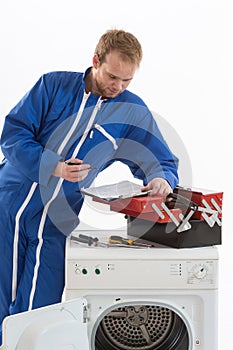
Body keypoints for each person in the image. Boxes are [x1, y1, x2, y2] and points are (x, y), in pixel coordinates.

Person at [0, 29, 179, 343]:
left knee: (38, 312)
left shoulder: (130, 110)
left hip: (55, 223)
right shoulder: (52, 85)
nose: (118, 86)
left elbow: (158, 158)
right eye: (112, 76)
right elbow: (13, 135)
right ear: (95, 60)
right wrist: (54, 166)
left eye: (127, 81)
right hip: (9, 205)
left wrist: (161, 178)